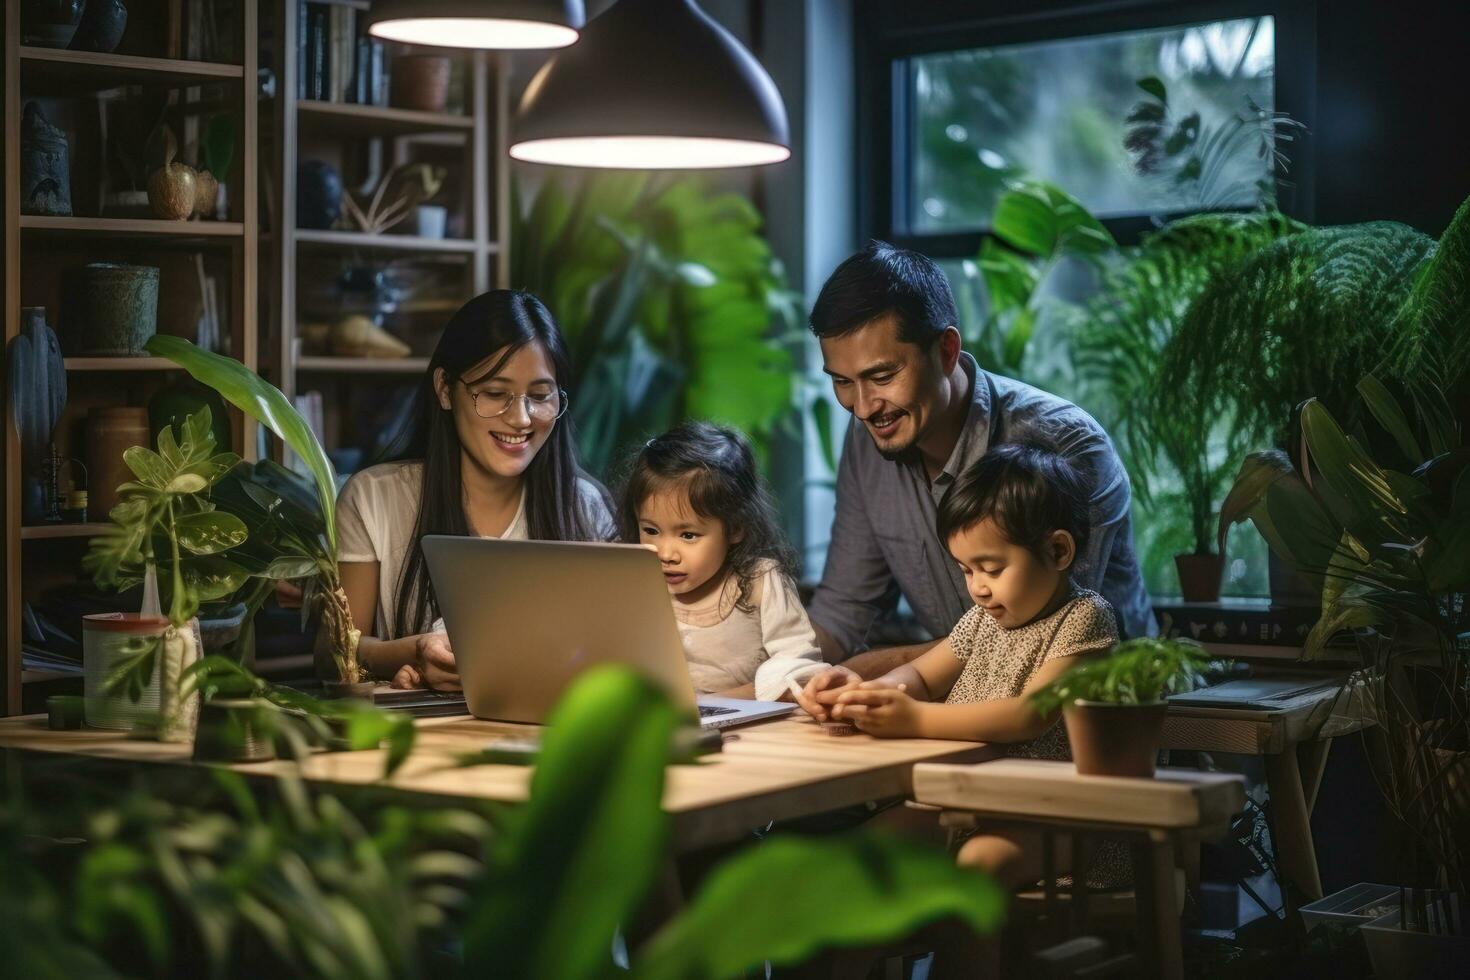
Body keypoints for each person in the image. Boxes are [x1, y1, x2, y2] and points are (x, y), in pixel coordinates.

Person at [803, 240, 1153, 692]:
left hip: (1099, 722)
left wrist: (875, 669)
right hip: (956, 709)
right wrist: (747, 680)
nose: (865, 407)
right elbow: (842, 614)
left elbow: (1034, 639)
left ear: (947, 350)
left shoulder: (1065, 443)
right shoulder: (870, 438)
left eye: (883, 376)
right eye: (843, 383)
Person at [797, 443, 1128, 892]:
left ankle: (958, 966)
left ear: (1057, 550)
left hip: (1057, 815)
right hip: (969, 803)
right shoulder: (980, 622)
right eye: (966, 571)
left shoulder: (1084, 618)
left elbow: (1029, 714)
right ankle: (850, 961)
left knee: (978, 863)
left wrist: (914, 718)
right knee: (857, 857)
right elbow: (918, 675)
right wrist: (872, 691)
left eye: (990, 568)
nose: (978, 589)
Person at [337, 290, 614, 690]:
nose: (520, 419)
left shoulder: (585, 508)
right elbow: (336, 651)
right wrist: (415, 650)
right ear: (446, 390)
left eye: (539, 397)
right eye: (495, 394)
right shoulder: (374, 498)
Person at [621, 421, 825, 701]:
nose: (665, 553)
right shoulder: (639, 583)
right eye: (651, 531)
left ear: (735, 527)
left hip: (759, 726)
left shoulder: (759, 581)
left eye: (688, 535)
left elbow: (799, 665)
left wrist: (721, 701)